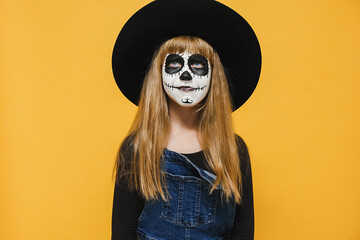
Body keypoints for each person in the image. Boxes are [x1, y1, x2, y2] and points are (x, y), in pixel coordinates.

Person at [111, 1, 261, 239]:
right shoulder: (137, 149)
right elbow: (123, 233)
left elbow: (243, 232)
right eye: (174, 64)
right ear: (158, 74)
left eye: (198, 64)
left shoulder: (233, 151)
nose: (185, 74)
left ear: (215, 76)